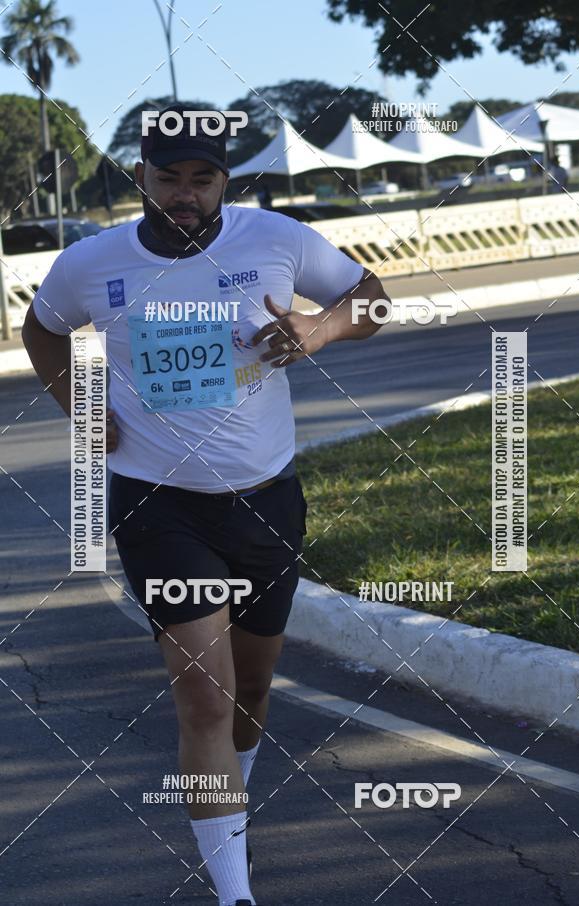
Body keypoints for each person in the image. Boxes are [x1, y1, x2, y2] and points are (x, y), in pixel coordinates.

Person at [22, 104, 389, 905]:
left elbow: (373, 296)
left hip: (265, 503)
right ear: (142, 177)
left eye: (202, 178)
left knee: (251, 693)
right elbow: (42, 330)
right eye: (168, 178)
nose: (185, 194)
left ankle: (234, 802)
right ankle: (234, 893)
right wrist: (78, 406)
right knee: (205, 695)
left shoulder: (276, 240)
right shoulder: (89, 262)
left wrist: (318, 330)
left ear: (224, 179)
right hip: (159, 506)